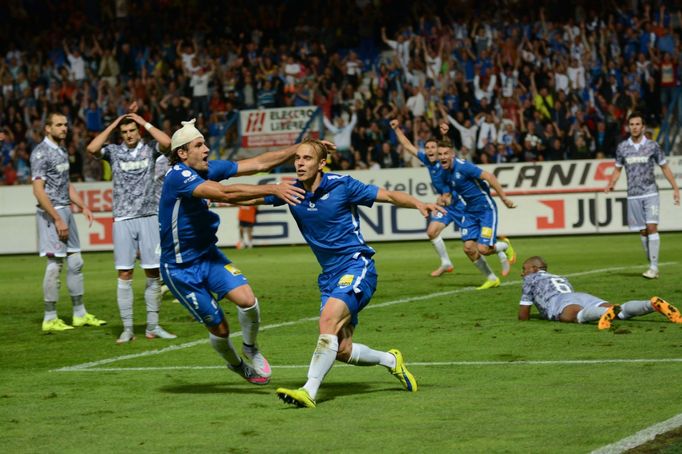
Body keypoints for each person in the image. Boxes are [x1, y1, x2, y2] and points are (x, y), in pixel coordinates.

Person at [253, 138, 446, 408]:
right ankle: (391, 360)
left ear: (322, 164)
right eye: (297, 158)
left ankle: (309, 390)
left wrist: (417, 204)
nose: (299, 163)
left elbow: (388, 195)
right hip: (330, 275)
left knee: (328, 321)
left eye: (307, 158)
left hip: (357, 265)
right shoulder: (289, 190)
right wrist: (206, 194)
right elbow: (244, 195)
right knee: (341, 350)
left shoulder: (342, 185)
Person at [159, 119, 307, 385]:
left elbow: (260, 163)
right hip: (180, 269)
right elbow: (224, 194)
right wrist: (273, 188)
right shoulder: (178, 176)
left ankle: (250, 347)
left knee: (248, 300)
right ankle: (237, 364)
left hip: (209, 256)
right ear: (182, 153)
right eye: (199, 145)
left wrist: (300, 147)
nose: (206, 150)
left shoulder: (207, 169)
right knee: (221, 328)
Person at [86, 110, 176, 344]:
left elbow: (167, 142)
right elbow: (92, 149)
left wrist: (144, 121)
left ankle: (153, 326)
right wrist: (114, 122)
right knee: (125, 273)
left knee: (153, 273)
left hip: (148, 216)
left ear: (138, 131)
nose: (128, 135)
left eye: (132, 130)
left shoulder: (149, 149)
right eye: (124, 132)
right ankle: (127, 328)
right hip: (123, 219)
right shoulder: (114, 152)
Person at [30, 112, 106, 332]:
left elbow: (66, 184)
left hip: (66, 212)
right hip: (51, 214)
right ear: (47, 128)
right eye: (59, 125)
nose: (64, 128)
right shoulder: (40, 153)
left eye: (65, 124)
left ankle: (79, 314)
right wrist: (56, 218)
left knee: (76, 262)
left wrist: (83, 206)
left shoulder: (62, 150)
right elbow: (37, 190)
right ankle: (50, 317)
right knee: (55, 265)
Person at [606, 111, 680, 279]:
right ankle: (651, 260)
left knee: (652, 227)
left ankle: (653, 267)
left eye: (637, 124)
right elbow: (617, 169)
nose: (634, 127)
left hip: (650, 192)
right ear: (628, 127)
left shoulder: (652, 146)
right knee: (643, 232)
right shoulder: (622, 148)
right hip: (633, 195)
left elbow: (665, 167)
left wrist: (675, 188)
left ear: (643, 126)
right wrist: (611, 183)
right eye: (631, 124)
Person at [518, 256, 681, 329]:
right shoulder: (559, 277)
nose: (522, 273)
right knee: (620, 311)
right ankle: (651, 304)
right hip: (581, 296)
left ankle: (605, 312)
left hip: (560, 301)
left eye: (524, 269)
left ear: (534, 268)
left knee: (575, 316)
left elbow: (523, 315)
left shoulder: (530, 279)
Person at [390, 118, 463, 276]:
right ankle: (446, 262)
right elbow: (408, 146)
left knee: (479, 244)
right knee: (431, 232)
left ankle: (501, 247)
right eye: (427, 147)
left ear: (439, 150)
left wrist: (445, 136)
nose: (429, 150)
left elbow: (448, 150)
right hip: (445, 205)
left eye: (433, 147)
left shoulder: (447, 161)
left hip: (459, 204)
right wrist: (397, 129)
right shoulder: (428, 162)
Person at [437, 144, 517, 289]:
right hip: (469, 212)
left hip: (486, 209)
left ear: (452, 154)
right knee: (468, 248)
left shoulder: (464, 167)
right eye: (440, 154)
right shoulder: (444, 173)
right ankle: (492, 278)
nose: (443, 157)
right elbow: (447, 194)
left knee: (483, 249)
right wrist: (444, 200)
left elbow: (489, 176)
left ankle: (504, 245)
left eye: (446, 153)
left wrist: (504, 198)